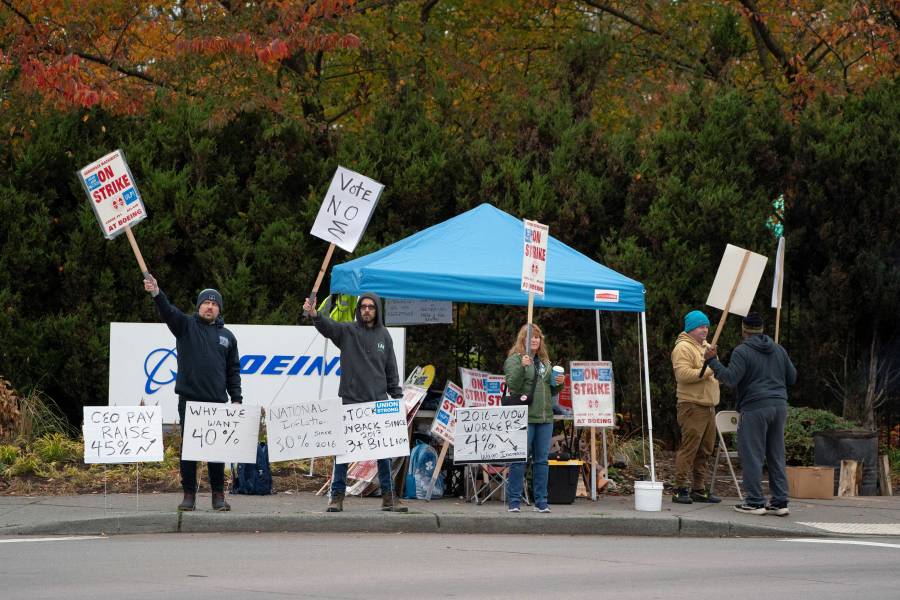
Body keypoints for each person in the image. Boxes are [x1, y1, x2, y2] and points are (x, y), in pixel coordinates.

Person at [143, 275, 242, 512]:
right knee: (189, 450)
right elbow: (167, 310)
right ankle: (189, 495)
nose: (210, 306)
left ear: (219, 309)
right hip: (189, 402)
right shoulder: (185, 326)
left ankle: (218, 496)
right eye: (206, 303)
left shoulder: (228, 337)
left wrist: (236, 398)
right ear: (199, 307)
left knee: (216, 452)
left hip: (217, 402)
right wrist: (157, 292)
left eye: (215, 303)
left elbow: (233, 370)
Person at [303, 293, 407, 513]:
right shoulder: (348, 331)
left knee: (383, 452)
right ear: (359, 310)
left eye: (371, 307)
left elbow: (391, 369)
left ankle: (389, 498)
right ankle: (337, 497)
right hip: (351, 401)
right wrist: (314, 314)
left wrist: (397, 396)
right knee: (342, 452)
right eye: (363, 307)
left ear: (377, 310)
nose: (367, 310)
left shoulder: (384, 335)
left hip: (378, 401)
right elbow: (328, 326)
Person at [705, 312, 797, 516]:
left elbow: (730, 379)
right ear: (762, 329)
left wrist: (712, 361)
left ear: (743, 330)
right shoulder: (778, 349)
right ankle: (780, 501)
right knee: (776, 454)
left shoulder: (742, 351)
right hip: (779, 405)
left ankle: (755, 501)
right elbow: (792, 377)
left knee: (752, 455)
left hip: (755, 407)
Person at [503, 324, 564, 513]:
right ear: (523, 339)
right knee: (519, 460)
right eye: (531, 337)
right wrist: (522, 367)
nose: (535, 340)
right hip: (525, 416)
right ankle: (514, 501)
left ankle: (541, 501)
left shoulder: (545, 361)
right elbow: (512, 384)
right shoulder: (516, 359)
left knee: (542, 461)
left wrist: (559, 385)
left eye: (538, 337)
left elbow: (550, 389)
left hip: (545, 417)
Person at [670, 310, 722, 504]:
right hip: (692, 406)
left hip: (709, 406)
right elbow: (682, 375)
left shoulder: (707, 347)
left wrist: (714, 365)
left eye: (707, 326)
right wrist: (711, 367)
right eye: (701, 326)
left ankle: (698, 488)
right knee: (689, 448)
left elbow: (714, 371)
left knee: (706, 449)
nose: (705, 330)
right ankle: (680, 488)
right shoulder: (683, 348)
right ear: (691, 328)